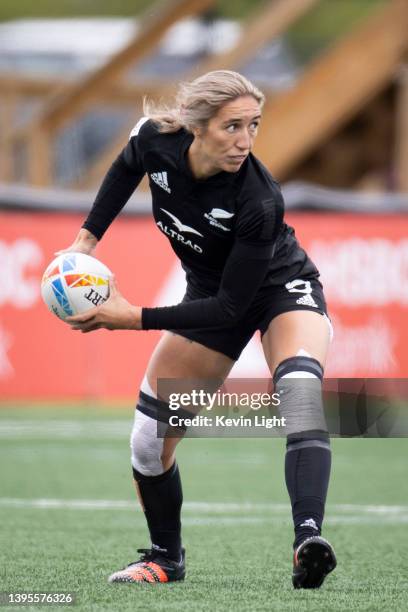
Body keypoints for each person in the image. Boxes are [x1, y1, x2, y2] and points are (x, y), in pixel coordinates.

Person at [64, 70, 336, 589]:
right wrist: (84, 243)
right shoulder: (154, 141)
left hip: (281, 289)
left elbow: (234, 306)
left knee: (300, 392)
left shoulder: (258, 197)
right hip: (209, 296)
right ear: (197, 125)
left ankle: (307, 541)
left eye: (253, 125)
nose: (245, 141)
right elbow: (126, 168)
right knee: (148, 444)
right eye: (232, 127)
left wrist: (135, 318)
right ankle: (166, 559)